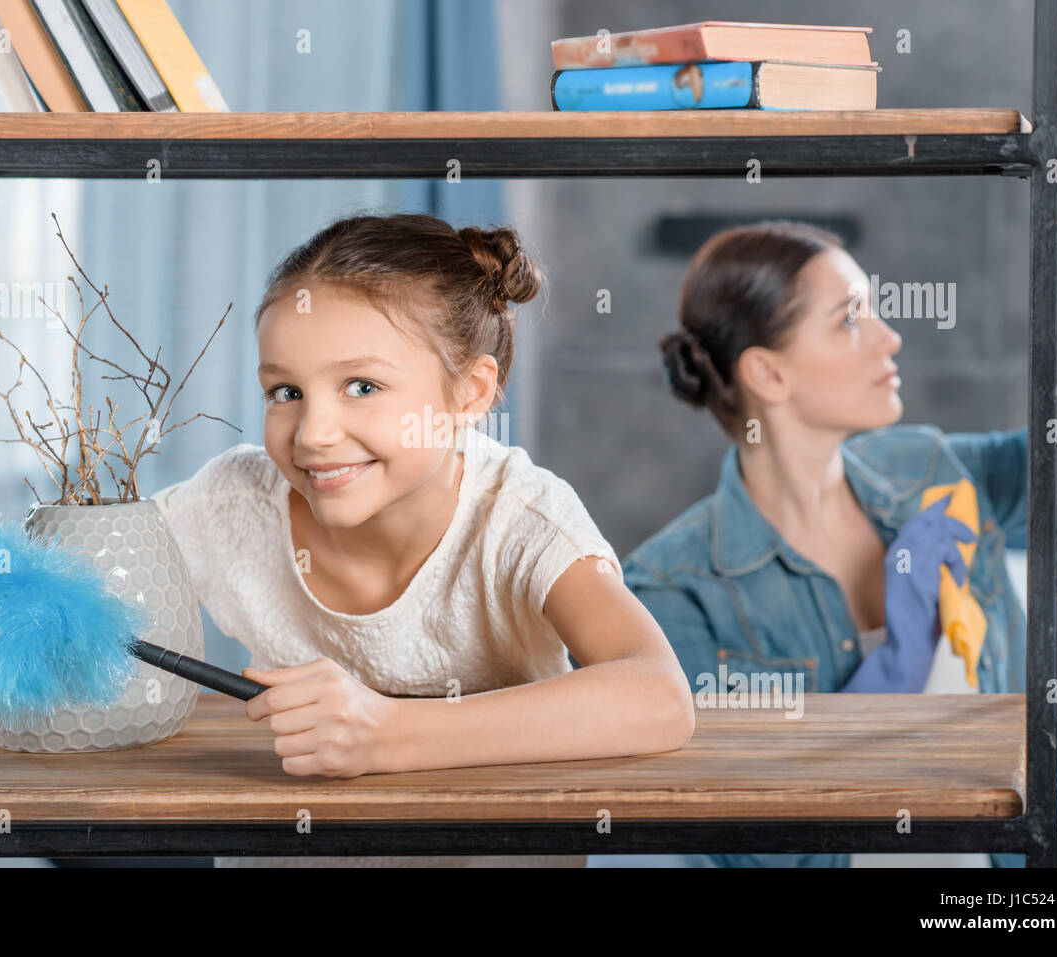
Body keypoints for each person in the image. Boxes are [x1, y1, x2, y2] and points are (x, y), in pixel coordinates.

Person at [147, 213, 695, 866]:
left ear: (469, 393)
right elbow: (84, 578)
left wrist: (384, 733)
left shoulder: (520, 517)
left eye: (363, 386)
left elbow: (658, 694)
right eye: (285, 391)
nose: (313, 432)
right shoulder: (233, 501)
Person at [625, 220, 1057, 868]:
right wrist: (891, 676)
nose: (890, 337)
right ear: (768, 372)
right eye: (851, 319)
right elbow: (761, 850)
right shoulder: (673, 591)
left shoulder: (928, 468)